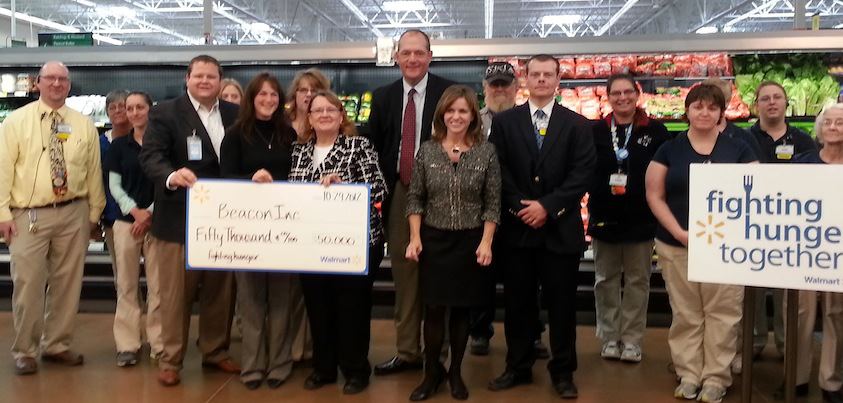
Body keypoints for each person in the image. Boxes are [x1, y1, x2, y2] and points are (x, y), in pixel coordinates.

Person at [487, 54, 595, 399]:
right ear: (526, 79)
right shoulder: (505, 123)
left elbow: (583, 173)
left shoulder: (577, 125)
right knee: (518, 304)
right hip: (517, 231)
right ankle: (517, 366)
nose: (542, 80)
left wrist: (548, 206)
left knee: (562, 306)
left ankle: (563, 372)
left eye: (549, 74)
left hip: (559, 231)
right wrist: (522, 207)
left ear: (558, 79)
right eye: (536, 74)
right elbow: (498, 171)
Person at [645, 84, 757, 403]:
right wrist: (678, 232)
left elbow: (757, 195)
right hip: (676, 244)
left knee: (723, 313)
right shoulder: (669, 149)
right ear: (688, 111)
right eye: (698, 107)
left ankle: (716, 378)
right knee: (686, 313)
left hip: (726, 249)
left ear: (722, 113)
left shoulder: (739, 150)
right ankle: (689, 373)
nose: (704, 113)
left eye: (711, 107)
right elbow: (654, 194)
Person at [138, 54, 240, 386]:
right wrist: (170, 175)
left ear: (221, 80)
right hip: (178, 218)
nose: (205, 81)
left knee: (219, 291)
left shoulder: (234, 114)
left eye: (212, 76)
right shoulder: (165, 112)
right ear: (187, 78)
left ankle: (215, 351)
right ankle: (170, 359)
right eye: (199, 76)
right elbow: (151, 156)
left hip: (224, 221)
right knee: (174, 295)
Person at [0, 61, 106, 375]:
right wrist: (2, 213)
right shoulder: (16, 122)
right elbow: (3, 169)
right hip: (28, 215)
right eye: (50, 79)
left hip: (74, 212)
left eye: (62, 79)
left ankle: (57, 344)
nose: (57, 84)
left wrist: (95, 213)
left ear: (69, 85)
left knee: (67, 284)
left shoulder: (83, 123)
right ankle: (25, 350)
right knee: (29, 284)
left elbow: (92, 171)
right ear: (38, 84)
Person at [368, 29, 456, 376]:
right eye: (406, 53)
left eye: (420, 53)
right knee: (404, 275)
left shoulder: (448, 92)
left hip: (442, 191)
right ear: (396, 57)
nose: (413, 59)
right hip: (399, 192)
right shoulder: (383, 97)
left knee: (440, 274)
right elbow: (373, 148)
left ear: (430, 56)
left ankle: (440, 353)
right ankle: (407, 351)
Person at [404, 85, 500, 401]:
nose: (456, 116)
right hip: (434, 239)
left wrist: (486, 242)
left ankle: (455, 372)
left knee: (461, 311)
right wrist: (415, 238)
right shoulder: (427, 151)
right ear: (442, 114)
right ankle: (432, 374)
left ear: (473, 116)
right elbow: (415, 197)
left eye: (463, 111)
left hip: (471, 241)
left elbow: (492, 202)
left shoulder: (486, 152)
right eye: (451, 110)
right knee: (432, 311)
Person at [288, 90, 387, 395]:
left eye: (332, 109)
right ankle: (324, 368)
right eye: (318, 110)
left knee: (353, 308)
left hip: (354, 244)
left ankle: (356, 369)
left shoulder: (359, 146)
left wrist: (348, 187)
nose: (325, 114)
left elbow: (380, 189)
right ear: (309, 117)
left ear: (342, 115)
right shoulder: (298, 151)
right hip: (311, 245)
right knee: (319, 308)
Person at [219, 72, 299, 390]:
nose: (268, 100)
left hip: (283, 228)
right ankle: (252, 365)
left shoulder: (288, 134)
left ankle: (280, 363)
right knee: (250, 301)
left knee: (281, 300)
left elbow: (298, 176)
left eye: (274, 95)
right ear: (252, 98)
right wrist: (249, 179)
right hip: (246, 229)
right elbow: (225, 178)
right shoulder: (235, 135)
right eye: (262, 94)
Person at [470, 62, 550, 359]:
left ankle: (533, 333)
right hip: (480, 212)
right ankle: (479, 331)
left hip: (522, 210)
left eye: (505, 84)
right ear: (485, 88)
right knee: (481, 276)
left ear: (517, 87)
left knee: (529, 280)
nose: (500, 89)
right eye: (494, 84)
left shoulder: (534, 119)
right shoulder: (471, 121)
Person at [589, 73, 670, 363]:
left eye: (627, 92)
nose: (622, 98)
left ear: (637, 95)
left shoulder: (656, 130)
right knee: (605, 279)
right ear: (608, 97)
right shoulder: (596, 130)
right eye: (616, 93)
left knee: (638, 281)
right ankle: (610, 337)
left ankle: (633, 339)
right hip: (604, 216)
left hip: (641, 218)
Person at [751, 81, 817, 370]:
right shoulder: (743, 138)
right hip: (752, 225)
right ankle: (753, 341)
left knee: (786, 292)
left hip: (792, 228)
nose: (772, 102)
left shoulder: (803, 140)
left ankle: (784, 343)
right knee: (750, 288)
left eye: (777, 97)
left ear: (786, 102)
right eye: (765, 98)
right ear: (757, 105)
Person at [781, 103, 843, 403]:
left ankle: (831, 381)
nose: (833, 127)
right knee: (799, 313)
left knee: (837, 314)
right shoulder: (802, 164)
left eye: (840, 122)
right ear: (819, 129)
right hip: (803, 252)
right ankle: (796, 377)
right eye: (828, 122)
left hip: (838, 254)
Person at [105, 91, 160, 367]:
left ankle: (159, 342)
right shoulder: (118, 147)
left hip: (158, 222)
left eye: (140, 107)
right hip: (126, 224)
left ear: (150, 109)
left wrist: (148, 213)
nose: (135, 112)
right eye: (130, 108)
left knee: (158, 286)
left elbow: (166, 181)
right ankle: (128, 344)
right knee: (126, 285)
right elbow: (114, 186)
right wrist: (135, 212)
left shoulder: (162, 143)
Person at [100, 90, 131, 275]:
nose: (118, 110)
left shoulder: (146, 139)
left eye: (122, 106)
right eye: (113, 107)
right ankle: (128, 305)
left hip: (146, 216)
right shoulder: (101, 143)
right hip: (112, 216)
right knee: (121, 271)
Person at [287, 68, 331, 142]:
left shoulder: (328, 125)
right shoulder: (282, 124)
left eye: (314, 91)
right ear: (295, 93)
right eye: (303, 90)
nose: (309, 94)